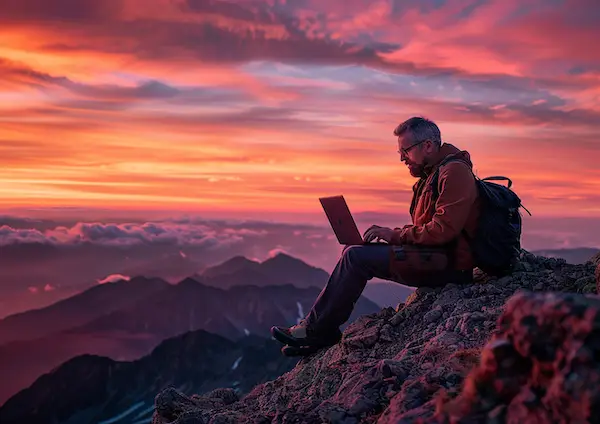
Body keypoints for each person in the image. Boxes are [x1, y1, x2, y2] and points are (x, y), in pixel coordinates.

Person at [271, 116, 481, 350]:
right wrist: (395, 234)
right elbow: (430, 228)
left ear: (428, 146)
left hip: (450, 266)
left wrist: (394, 236)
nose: (402, 158)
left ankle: (318, 332)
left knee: (355, 258)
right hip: (434, 255)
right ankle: (318, 328)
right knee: (353, 250)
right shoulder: (433, 174)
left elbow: (443, 231)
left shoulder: (454, 173)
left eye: (406, 151)